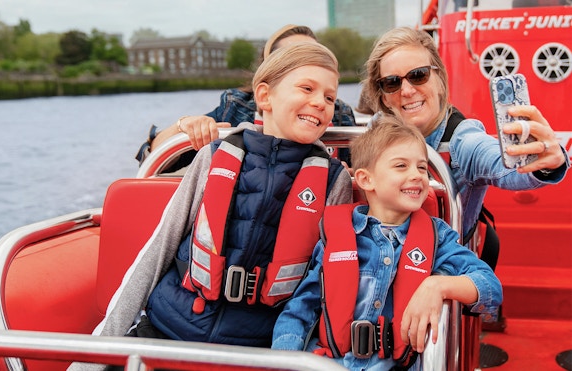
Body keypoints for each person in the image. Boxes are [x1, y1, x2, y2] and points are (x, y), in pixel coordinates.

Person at [68, 42, 353, 371]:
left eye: (330, 97)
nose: (319, 102)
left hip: (253, 352)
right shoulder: (215, 155)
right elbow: (158, 249)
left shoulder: (334, 182)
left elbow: (324, 282)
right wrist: (94, 356)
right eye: (307, 88)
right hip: (166, 333)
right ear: (264, 96)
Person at [271, 115, 503, 370]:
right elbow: (300, 310)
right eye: (401, 166)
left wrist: (438, 286)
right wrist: (285, 361)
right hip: (332, 363)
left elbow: (491, 288)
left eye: (422, 167)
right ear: (366, 179)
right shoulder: (336, 236)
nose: (416, 175)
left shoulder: (438, 237)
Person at [359, 26, 569, 256]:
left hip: (444, 272)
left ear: (439, 79)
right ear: (383, 96)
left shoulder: (463, 141)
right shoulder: (374, 130)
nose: (407, 90)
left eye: (418, 75)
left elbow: (503, 165)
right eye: (392, 82)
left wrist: (547, 160)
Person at [135, 24, 356, 169]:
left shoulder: (339, 113)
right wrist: (186, 126)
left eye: (315, 55)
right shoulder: (236, 106)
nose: (307, 63)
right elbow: (156, 159)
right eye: (292, 57)